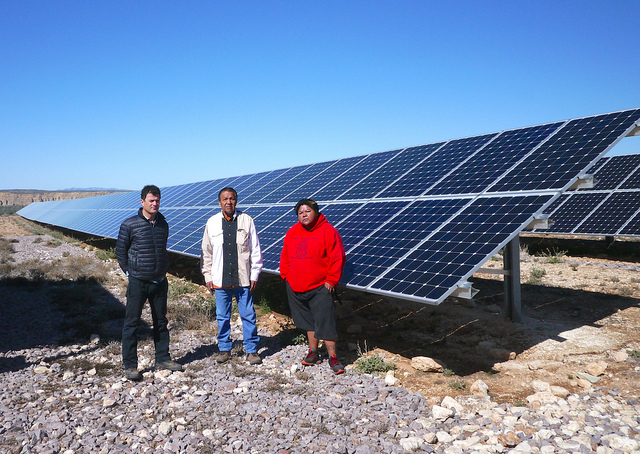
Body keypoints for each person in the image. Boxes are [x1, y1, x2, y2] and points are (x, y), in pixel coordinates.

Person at [116, 185, 183, 381]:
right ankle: (130, 365)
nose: (155, 204)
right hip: (138, 281)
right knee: (132, 323)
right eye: (151, 200)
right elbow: (121, 252)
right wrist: (130, 271)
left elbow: (162, 248)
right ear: (142, 201)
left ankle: (162, 358)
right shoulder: (129, 224)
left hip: (160, 281)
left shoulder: (163, 224)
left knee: (161, 322)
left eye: (157, 200)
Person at [280, 198, 346, 375]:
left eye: (307, 211)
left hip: (320, 287)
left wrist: (331, 280)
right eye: (300, 212)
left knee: (326, 322)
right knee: (308, 322)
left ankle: (333, 357)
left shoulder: (328, 231)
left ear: (316, 212)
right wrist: (286, 275)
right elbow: (285, 255)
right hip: (296, 286)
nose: (304, 214)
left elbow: (337, 257)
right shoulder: (293, 231)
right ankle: (313, 352)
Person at [201, 187, 263, 365]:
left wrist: (255, 274)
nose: (229, 202)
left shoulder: (247, 220)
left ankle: (251, 350)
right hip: (220, 278)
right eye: (225, 199)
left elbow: (255, 250)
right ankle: (224, 348)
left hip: (243, 278)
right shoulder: (212, 222)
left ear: (236, 201)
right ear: (219, 202)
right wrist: (207, 276)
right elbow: (206, 252)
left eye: (232, 198)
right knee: (222, 316)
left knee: (248, 315)